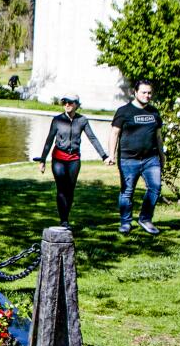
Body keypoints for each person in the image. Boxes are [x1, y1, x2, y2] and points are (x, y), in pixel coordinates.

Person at [36, 94, 109, 228]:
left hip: (74, 159)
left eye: (70, 102)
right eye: (64, 102)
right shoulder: (57, 120)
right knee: (61, 188)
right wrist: (42, 160)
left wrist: (104, 156)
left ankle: (66, 217)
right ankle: (64, 220)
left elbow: (92, 138)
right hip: (58, 158)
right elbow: (49, 140)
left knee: (70, 189)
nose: (67, 105)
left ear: (76, 104)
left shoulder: (82, 120)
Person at [106, 79, 164, 235]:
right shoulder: (123, 111)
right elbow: (114, 133)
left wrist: (162, 156)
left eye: (150, 92)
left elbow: (158, 137)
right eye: (144, 92)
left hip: (151, 159)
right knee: (127, 192)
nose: (147, 95)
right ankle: (125, 223)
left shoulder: (154, 112)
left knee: (155, 188)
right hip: (128, 159)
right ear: (135, 92)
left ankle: (145, 219)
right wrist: (111, 154)